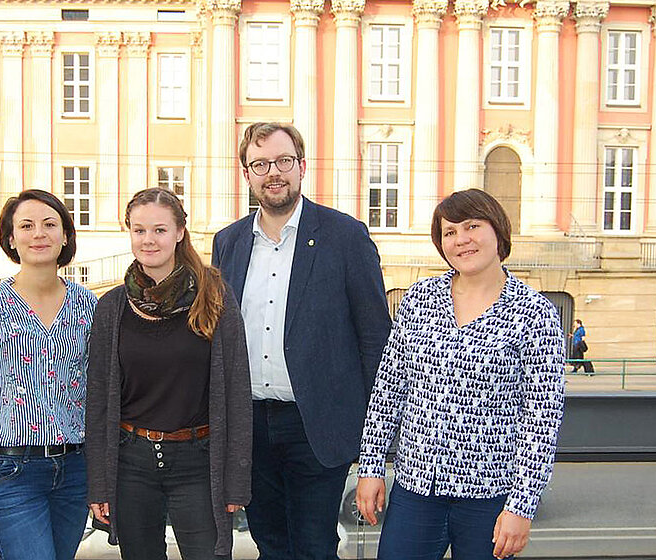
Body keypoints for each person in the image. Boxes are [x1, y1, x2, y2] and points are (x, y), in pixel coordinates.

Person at [211, 122, 392, 559]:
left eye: (283, 161)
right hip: (250, 425)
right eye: (260, 164)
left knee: (313, 547)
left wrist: (375, 439)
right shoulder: (228, 242)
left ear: (302, 166)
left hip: (316, 425)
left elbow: (376, 340)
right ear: (247, 174)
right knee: (269, 544)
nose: (273, 172)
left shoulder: (344, 236)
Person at [356, 189, 565, 560]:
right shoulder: (420, 298)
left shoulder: (534, 313)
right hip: (417, 489)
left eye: (472, 226)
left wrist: (522, 506)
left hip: (490, 496)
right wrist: (371, 467)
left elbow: (542, 419)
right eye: (449, 232)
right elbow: (389, 389)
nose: (461, 239)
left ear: (498, 231)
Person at [85, 188, 252, 560]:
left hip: (199, 462)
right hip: (131, 464)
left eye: (159, 230)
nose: (149, 240)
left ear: (179, 233)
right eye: (139, 230)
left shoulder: (215, 297)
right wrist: (99, 483)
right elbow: (97, 399)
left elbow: (237, 392)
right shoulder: (112, 308)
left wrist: (236, 481)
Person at [0, 189, 97, 560]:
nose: (38, 234)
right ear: (11, 238)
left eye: (49, 224)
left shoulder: (88, 305)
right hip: (11, 471)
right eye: (26, 226)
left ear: (65, 235)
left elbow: (97, 386)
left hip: (74, 471)